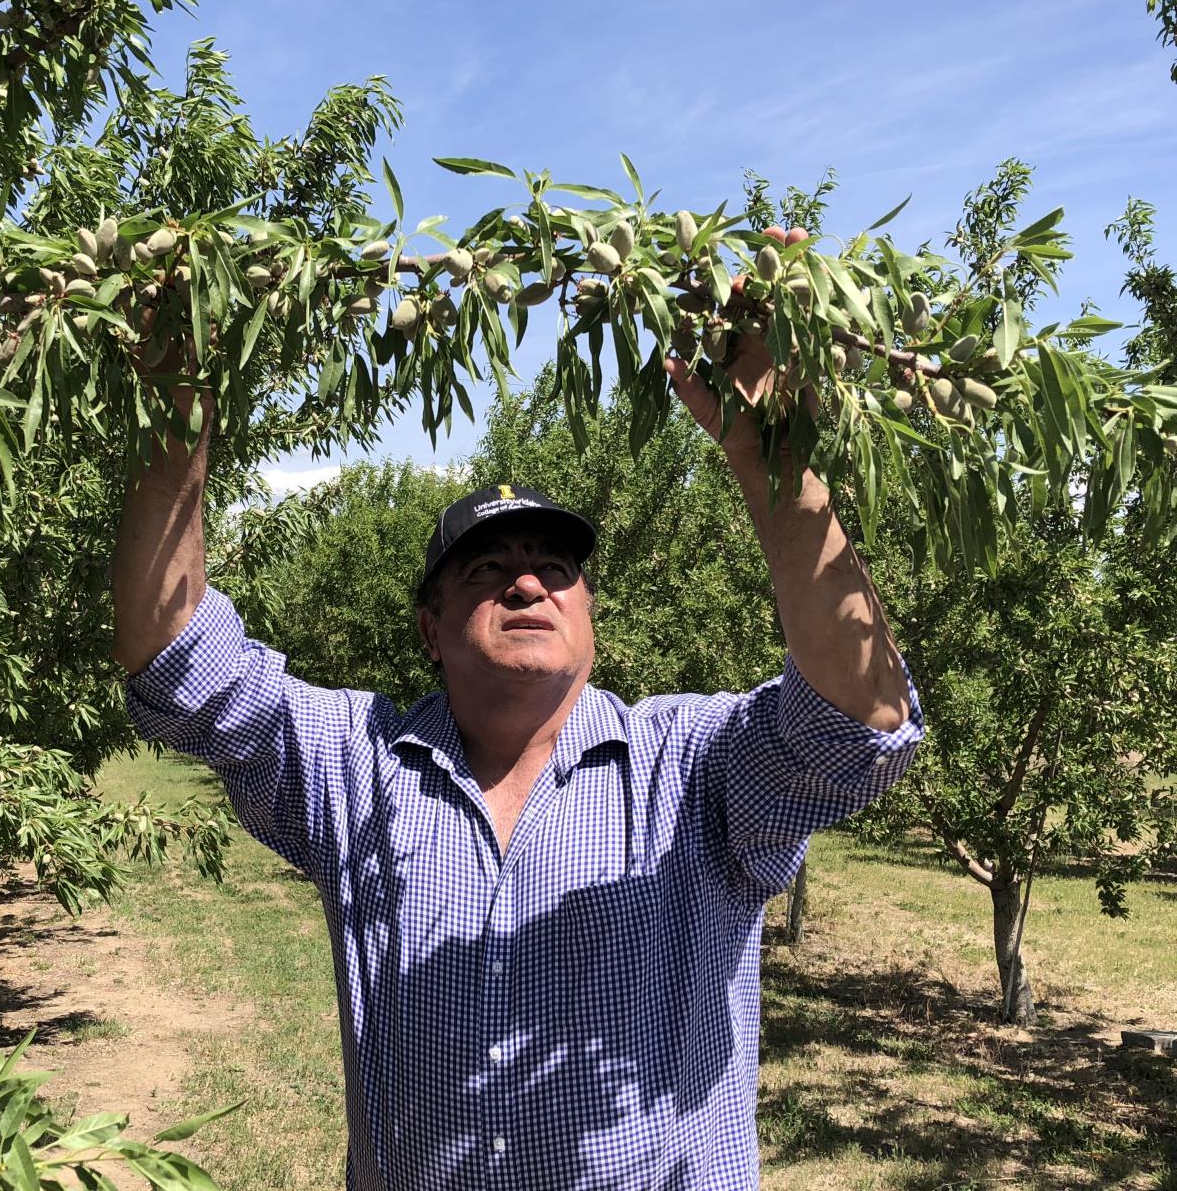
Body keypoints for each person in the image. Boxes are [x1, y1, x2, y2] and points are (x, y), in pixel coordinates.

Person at [110, 342, 923, 1191]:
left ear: (590, 614)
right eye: (489, 568)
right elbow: (174, 659)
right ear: (431, 629)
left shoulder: (690, 770)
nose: (529, 585)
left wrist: (777, 463)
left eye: (557, 569)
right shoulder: (355, 767)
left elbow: (859, 721)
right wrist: (176, 419)